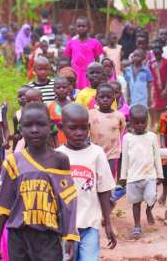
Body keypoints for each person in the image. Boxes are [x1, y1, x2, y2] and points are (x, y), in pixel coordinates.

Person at [0, 102, 79, 261]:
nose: (34, 130)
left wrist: (70, 236)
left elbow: (67, 201)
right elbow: (3, 205)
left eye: (41, 124)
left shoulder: (60, 160)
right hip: (18, 237)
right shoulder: (13, 162)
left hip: (49, 236)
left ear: (50, 126)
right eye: (28, 125)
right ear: (20, 128)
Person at [57, 104, 117, 260]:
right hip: (64, 228)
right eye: (73, 128)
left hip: (90, 225)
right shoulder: (57, 156)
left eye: (83, 128)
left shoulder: (97, 153)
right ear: (61, 128)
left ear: (89, 127)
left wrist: (108, 223)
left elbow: (104, 190)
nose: (79, 133)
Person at [119, 105, 163, 239]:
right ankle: (137, 226)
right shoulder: (127, 138)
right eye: (136, 122)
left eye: (143, 122)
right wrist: (123, 176)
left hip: (150, 175)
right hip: (133, 177)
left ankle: (149, 210)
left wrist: (160, 174)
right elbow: (125, 158)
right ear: (130, 122)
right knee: (136, 202)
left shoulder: (152, 136)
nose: (140, 125)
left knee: (152, 196)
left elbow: (157, 157)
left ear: (147, 121)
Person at [87, 83, 127, 180]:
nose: (105, 99)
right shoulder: (90, 114)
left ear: (113, 99)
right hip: (95, 152)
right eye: (102, 97)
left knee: (110, 177)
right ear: (96, 99)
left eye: (108, 97)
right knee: (96, 176)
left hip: (112, 153)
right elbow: (86, 130)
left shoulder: (119, 116)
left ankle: (110, 189)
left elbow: (122, 129)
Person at [65, 17, 104, 89]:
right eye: (79, 26)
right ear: (76, 28)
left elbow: (97, 61)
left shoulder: (95, 43)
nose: (81, 28)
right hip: (76, 76)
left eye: (83, 26)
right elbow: (68, 61)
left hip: (90, 76)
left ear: (88, 28)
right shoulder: (71, 43)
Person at [48, 77, 73, 146]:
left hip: (70, 138)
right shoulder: (49, 106)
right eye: (58, 88)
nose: (61, 89)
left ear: (68, 89)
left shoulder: (74, 106)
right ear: (54, 89)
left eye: (64, 87)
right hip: (55, 140)